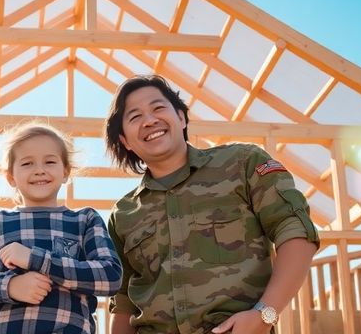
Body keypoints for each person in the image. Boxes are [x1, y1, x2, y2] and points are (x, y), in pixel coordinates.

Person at [104, 75, 320, 334]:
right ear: (125, 140)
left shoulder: (242, 162)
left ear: (181, 118)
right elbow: (124, 302)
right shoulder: (123, 214)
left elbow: (295, 230)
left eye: (158, 108)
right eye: (135, 116)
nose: (150, 120)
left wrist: (264, 315)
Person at [0, 121, 123, 333]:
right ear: (11, 177)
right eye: (27, 164)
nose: (39, 170)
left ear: (66, 172)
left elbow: (110, 277)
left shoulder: (85, 220)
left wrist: (37, 260)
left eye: (50, 162)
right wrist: (10, 286)